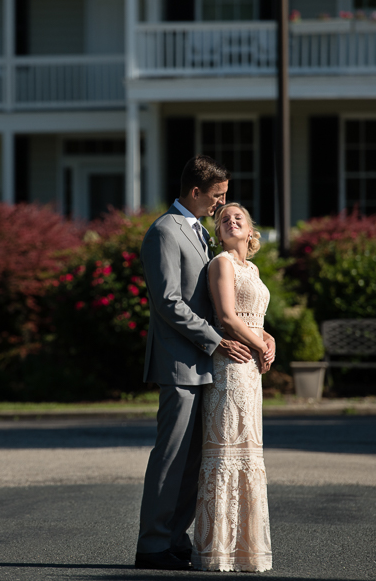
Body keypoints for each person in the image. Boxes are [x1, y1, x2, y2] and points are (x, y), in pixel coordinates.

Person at [135, 156, 273, 571]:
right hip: (180, 362)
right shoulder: (164, 231)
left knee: (195, 459)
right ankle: (152, 546)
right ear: (195, 192)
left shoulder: (198, 233)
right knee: (172, 456)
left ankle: (175, 538)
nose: (220, 204)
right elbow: (168, 303)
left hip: (206, 365)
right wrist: (217, 342)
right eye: (217, 196)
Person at [192, 202, 274, 572]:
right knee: (227, 453)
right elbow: (226, 317)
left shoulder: (252, 269)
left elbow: (252, 316)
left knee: (248, 454)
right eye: (223, 218)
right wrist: (258, 345)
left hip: (252, 368)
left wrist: (269, 338)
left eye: (238, 216)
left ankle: (246, 550)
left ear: (251, 230)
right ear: (219, 232)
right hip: (232, 365)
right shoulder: (221, 262)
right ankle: (218, 549)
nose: (230, 219)